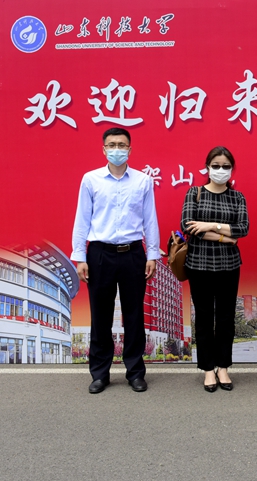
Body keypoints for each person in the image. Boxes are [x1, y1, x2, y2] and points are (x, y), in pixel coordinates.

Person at [72, 127, 160, 394]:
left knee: (134, 316)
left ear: (130, 150)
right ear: (104, 149)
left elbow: (150, 220)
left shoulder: (143, 181)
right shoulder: (91, 180)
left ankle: (135, 373)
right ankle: (100, 374)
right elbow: (82, 219)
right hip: (100, 254)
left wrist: (152, 254)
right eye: (112, 145)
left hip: (133, 253)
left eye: (122, 145)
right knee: (100, 316)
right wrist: (80, 256)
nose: (117, 149)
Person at [181, 146, 249, 392]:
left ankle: (223, 367)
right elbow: (188, 226)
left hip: (229, 266)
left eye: (226, 166)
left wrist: (209, 225)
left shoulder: (237, 197)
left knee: (226, 318)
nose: (221, 170)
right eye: (216, 165)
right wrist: (225, 236)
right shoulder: (195, 192)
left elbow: (243, 229)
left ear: (232, 169)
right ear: (207, 167)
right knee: (204, 318)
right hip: (198, 265)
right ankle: (208, 369)